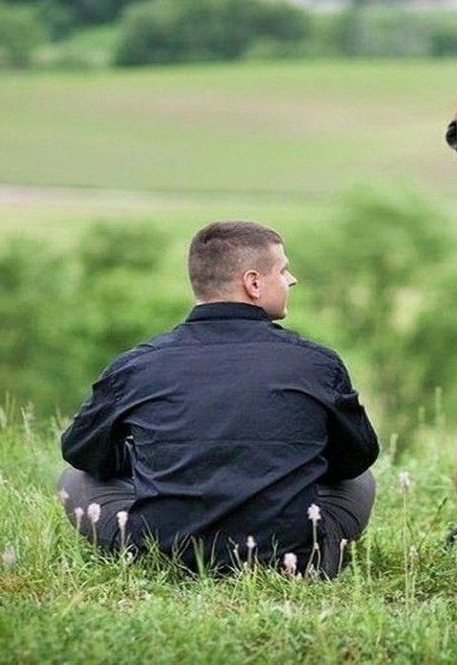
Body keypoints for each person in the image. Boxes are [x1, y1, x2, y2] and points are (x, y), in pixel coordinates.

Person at [57, 220, 379, 577]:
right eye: (283, 270)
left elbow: (82, 452)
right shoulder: (317, 363)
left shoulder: (136, 365)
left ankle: (151, 555)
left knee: (76, 478)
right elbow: (355, 459)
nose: (291, 280)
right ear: (253, 283)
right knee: (360, 481)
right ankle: (310, 553)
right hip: (293, 559)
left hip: (163, 553)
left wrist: (152, 458)